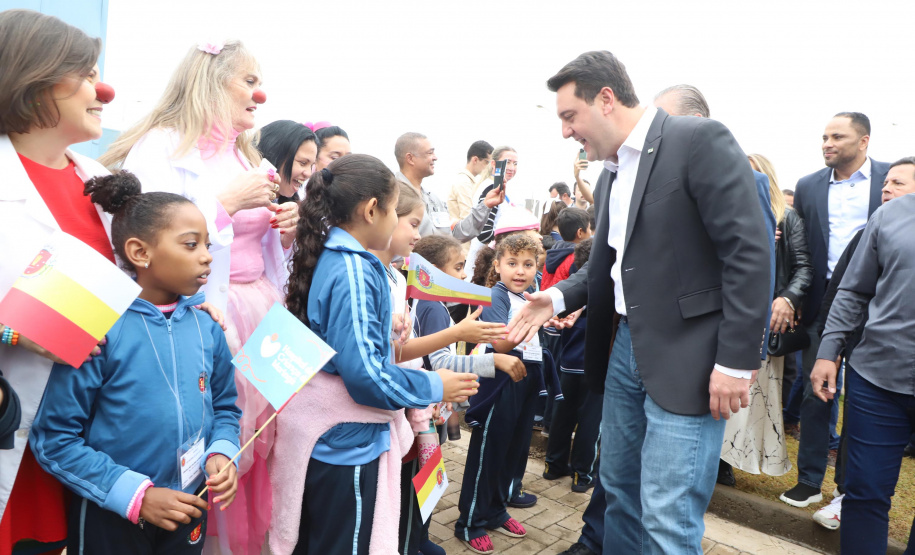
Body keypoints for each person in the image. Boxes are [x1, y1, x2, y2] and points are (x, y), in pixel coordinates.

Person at [508, 51, 770, 554]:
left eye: (570, 116)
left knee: (667, 514)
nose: (565, 132)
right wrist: (555, 297)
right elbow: (606, 266)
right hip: (623, 350)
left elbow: (749, 255)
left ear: (606, 99)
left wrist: (736, 361)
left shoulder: (698, 140)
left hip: (690, 359)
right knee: (620, 494)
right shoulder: (610, 173)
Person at [99, 39, 295, 554]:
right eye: (249, 81)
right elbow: (143, 235)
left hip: (261, 311)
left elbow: (261, 247)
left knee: (254, 440)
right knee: (205, 431)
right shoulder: (161, 146)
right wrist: (225, 202)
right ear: (212, 81)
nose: (260, 94)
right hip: (206, 310)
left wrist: (286, 230)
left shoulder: (245, 153)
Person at [269, 155, 479, 555]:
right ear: (371, 210)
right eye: (396, 211)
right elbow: (365, 375)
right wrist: (435, 384)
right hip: (346, 444)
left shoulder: (333, 255)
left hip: (328, 439)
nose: (399, 222)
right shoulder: (354, 269)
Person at [30, 172, 241, 554]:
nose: (207, 256)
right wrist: (136, 495)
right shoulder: (98, 331)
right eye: (191, 244)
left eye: (207, 244)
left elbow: (226, 406)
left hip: (189, 503)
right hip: (111, 513)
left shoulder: (208, 326)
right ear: (140, 253)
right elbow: (55, 438)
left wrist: (222, 450)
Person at [0, 10, 119, 553]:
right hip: (15, 429)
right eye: (88, 74)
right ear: (38, 78)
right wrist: (14, 334)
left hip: (91, 439)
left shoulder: (107, 185)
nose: (103, 91)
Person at [780, 112, 889, 509]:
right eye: (825, 136)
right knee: (816, 393)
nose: (827, 143)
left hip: (876, 303)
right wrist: (793, 297)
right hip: (821, 304)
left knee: (863, 399)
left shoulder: (890, 180)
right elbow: (800, 250)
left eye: (837, 137)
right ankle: (809, 480)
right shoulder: (808, 186)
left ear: (863, 141)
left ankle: (847, 488)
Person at [810, 157, 915, 553]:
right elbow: (854, 290)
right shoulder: (890, 216)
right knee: (865, 492)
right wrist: (829, 350)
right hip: (877, 380)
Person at [403, 234, 527, 555]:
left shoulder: (424, 301)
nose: (463, 275)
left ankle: (418, 537)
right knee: (421, 477)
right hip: (425, 408)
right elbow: (441, 361)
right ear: (433, 272)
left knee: (420, 475)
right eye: (458, 267)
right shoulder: (432, 307)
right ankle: (415, 540)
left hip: (426, 404)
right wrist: (493, 361)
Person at [720, 153, 813, 478]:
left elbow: (804, 267)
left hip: (764, 320)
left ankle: (728, 462)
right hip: (723, 313)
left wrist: (787, 299)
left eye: (753, 173)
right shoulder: (724, 213)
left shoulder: (786, 217)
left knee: (749, 395)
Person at [455, 234, 545, 554]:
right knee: (488, 451)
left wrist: (550, 320)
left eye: (528, 264)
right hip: (500, 381)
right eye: (512, 263)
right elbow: (501, 344)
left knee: (513, 450)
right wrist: (534, 320)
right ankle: (470, 522)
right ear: (497, 266)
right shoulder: (497, 295)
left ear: (537, 268)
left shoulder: (532, 296)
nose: (520, 271)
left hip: (526, 378)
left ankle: (495, 511)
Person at [543, 237, 601, 493]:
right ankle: (582, 475)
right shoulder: (601, 301)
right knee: (590, 421)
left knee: (562, 415)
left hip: (567, 365)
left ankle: (553, 465)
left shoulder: (570, 298)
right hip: (594, 368)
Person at [394, 132, 501, 240]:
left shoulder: (433, 199)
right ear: (410, 158)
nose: (435, 157)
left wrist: (485, 205)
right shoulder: (394, 196)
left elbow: (456, 233)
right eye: (430, 153)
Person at [256, 120, 318, 204]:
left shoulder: (296, 208)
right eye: (303, 163)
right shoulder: (241, 199)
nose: (308, 174)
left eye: (311, 166)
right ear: (275, 154)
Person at [448, 140, 493, 223]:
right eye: (487, 162)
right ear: (475, 160)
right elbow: (467, 218)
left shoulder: (469, 181)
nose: (490, 167)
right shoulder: (464, 182)